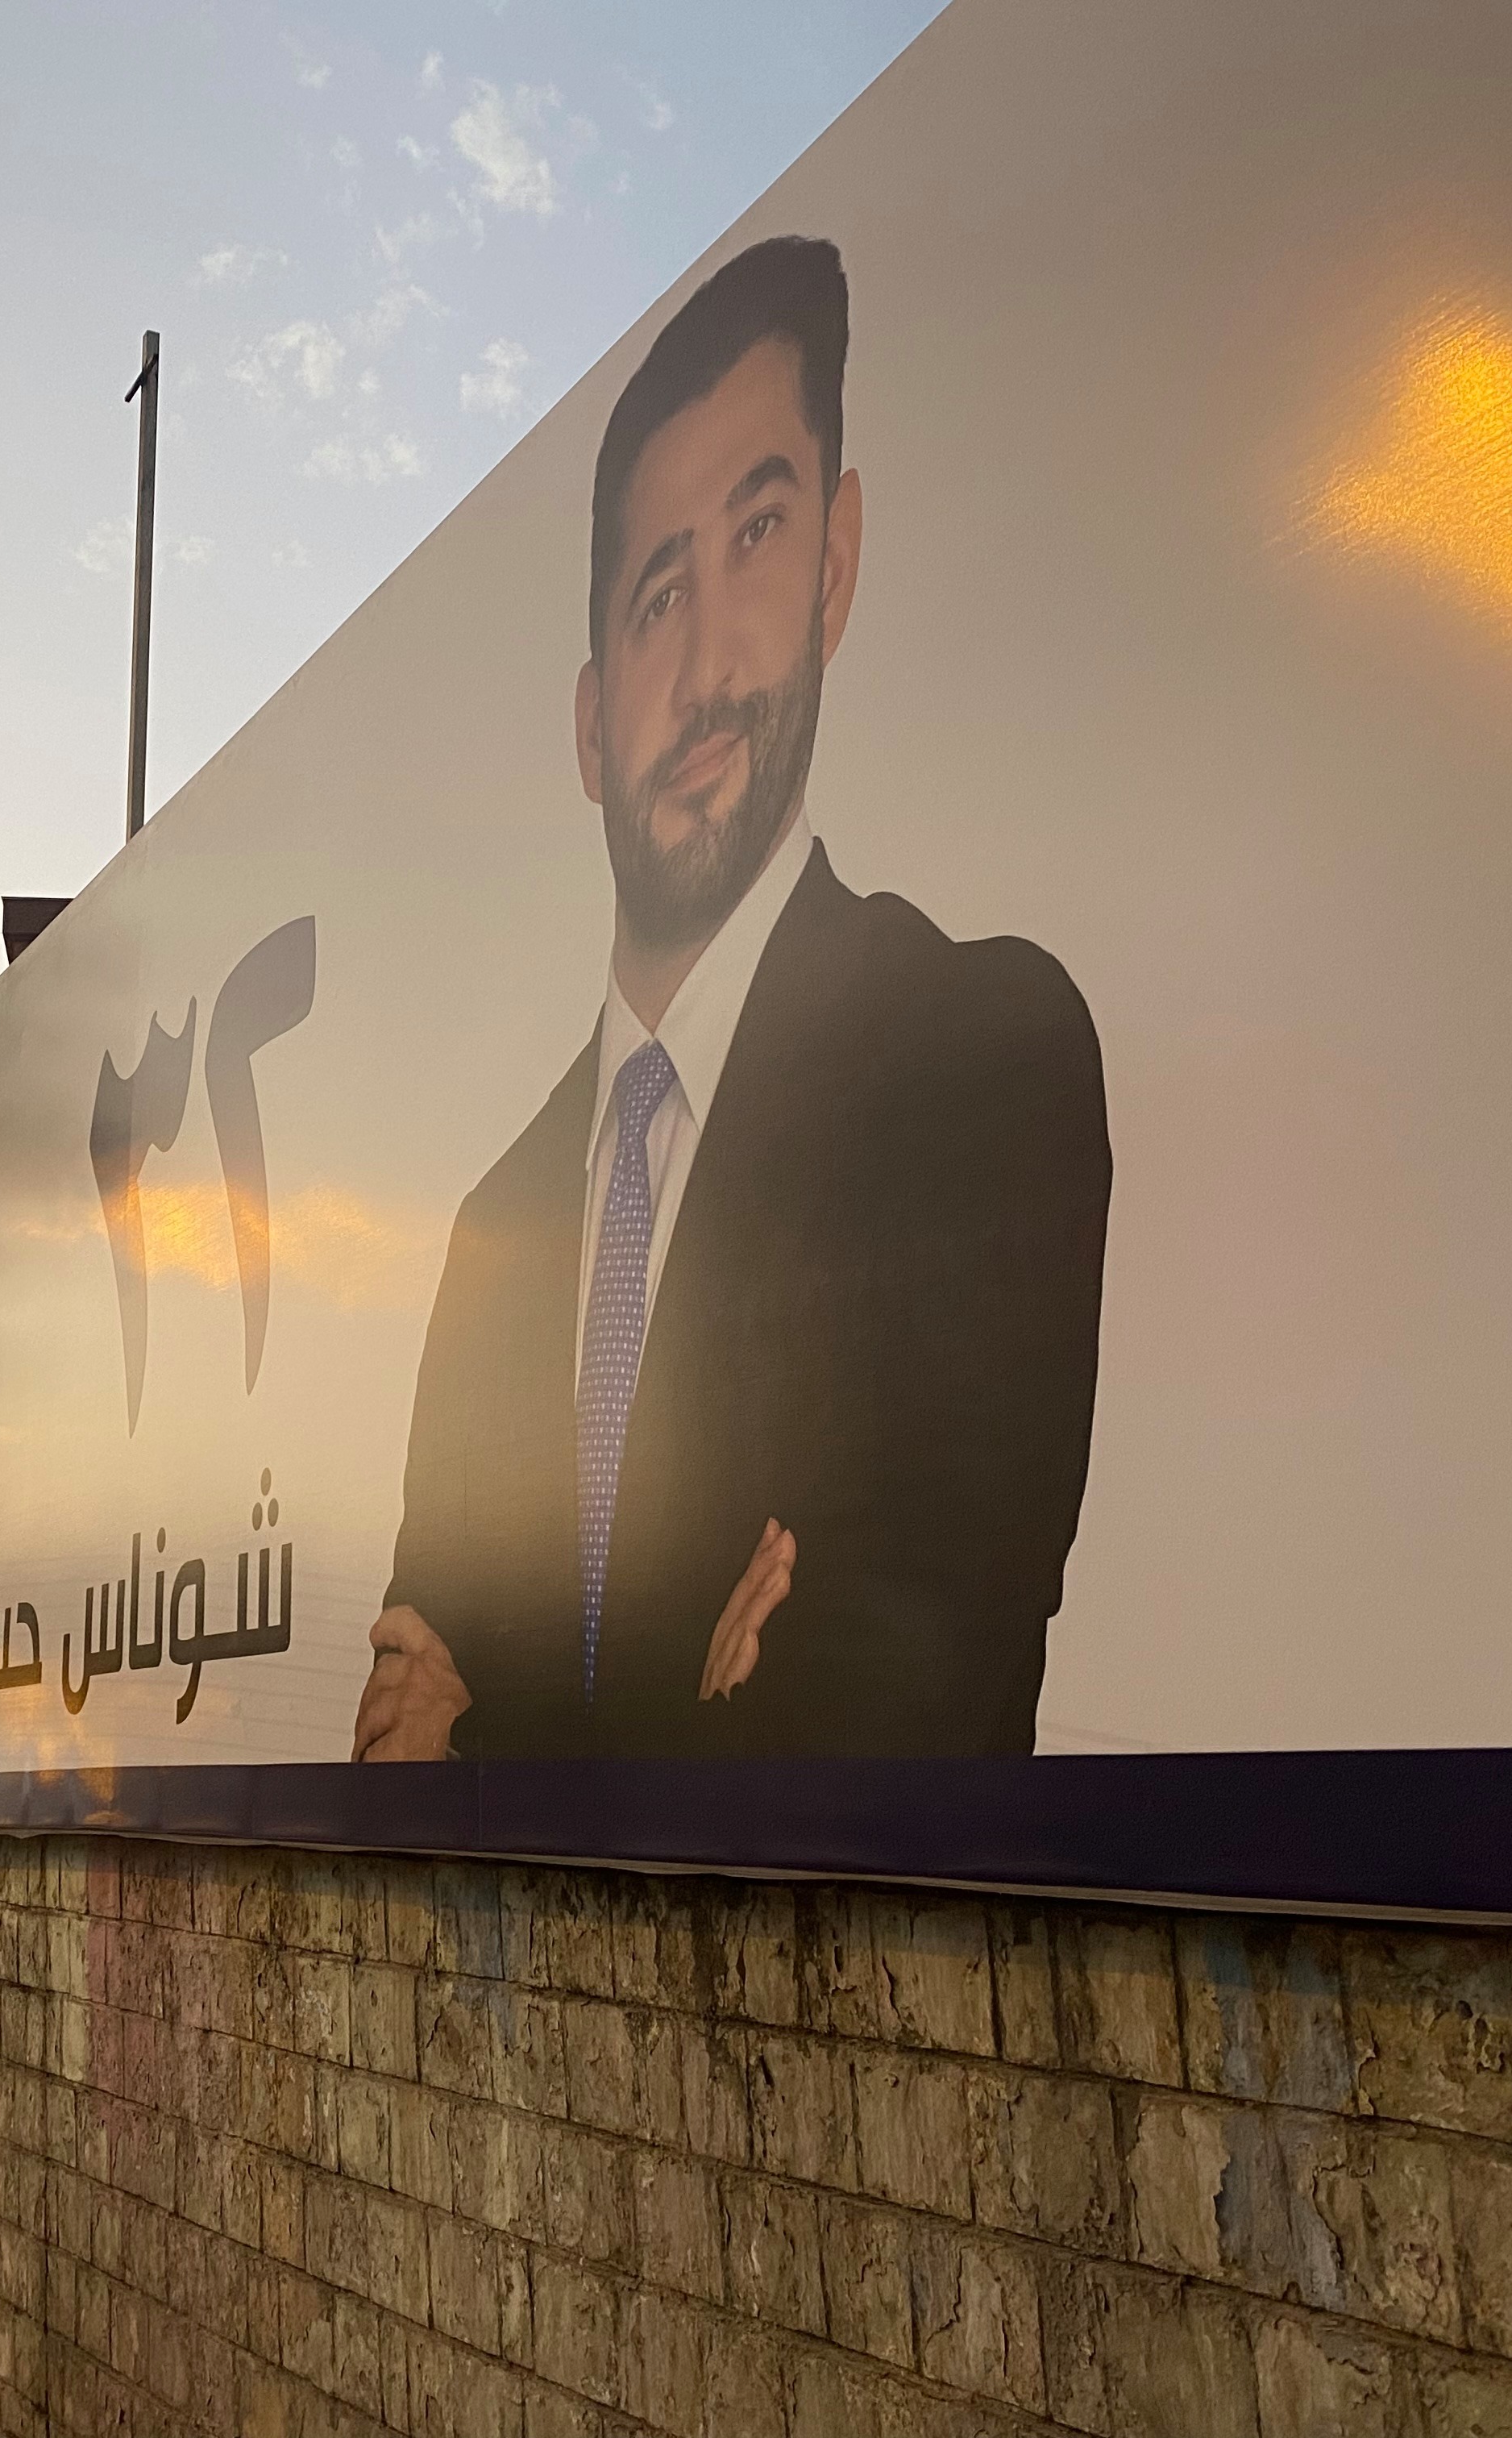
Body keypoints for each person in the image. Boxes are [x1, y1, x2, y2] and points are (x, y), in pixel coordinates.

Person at [354, 235, 1111, 1766]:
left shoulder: (984, 1059)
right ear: (590, 728)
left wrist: (501, 1751)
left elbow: (913, 1712)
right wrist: (704, 1707)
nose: (706, 664)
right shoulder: (494, 1232)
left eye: (757, 535)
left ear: (835, 567)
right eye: (655, 598)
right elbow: (394, 1759)